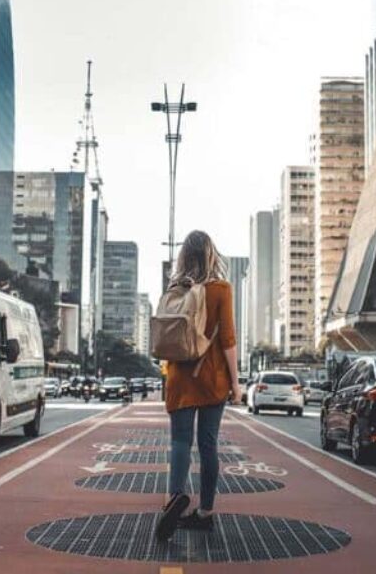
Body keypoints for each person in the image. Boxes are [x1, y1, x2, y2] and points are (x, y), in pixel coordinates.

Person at [155, 231, 241, 542]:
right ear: (211, 255)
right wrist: (236, 382)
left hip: (179, 378)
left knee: (179, 442)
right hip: (212, 379)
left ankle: (175, 498)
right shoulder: (221, 289)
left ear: (183, 257)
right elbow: (228, 340)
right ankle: (205, 513)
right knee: (208, 445)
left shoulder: (175, 289)